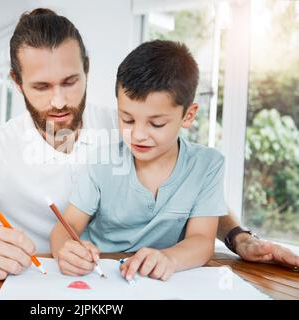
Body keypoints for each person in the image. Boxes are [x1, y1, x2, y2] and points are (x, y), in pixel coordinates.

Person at [0, 9, 299, 280]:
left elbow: (191, 184)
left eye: (70, 81)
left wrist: (238, 237)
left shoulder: (124, 122)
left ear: (87, 68)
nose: (59, 101)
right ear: (16, 84)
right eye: (41, 86)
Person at [50, 40, 226, 281]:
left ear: (188, 115)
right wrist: (65, 249)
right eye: (128, 120)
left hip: (161, 282)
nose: (139, 134)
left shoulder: (208, 165)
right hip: (101, 277)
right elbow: (67, 224)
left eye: (156, 123)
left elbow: (203, 241)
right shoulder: (101, 162)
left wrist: (170, 259)